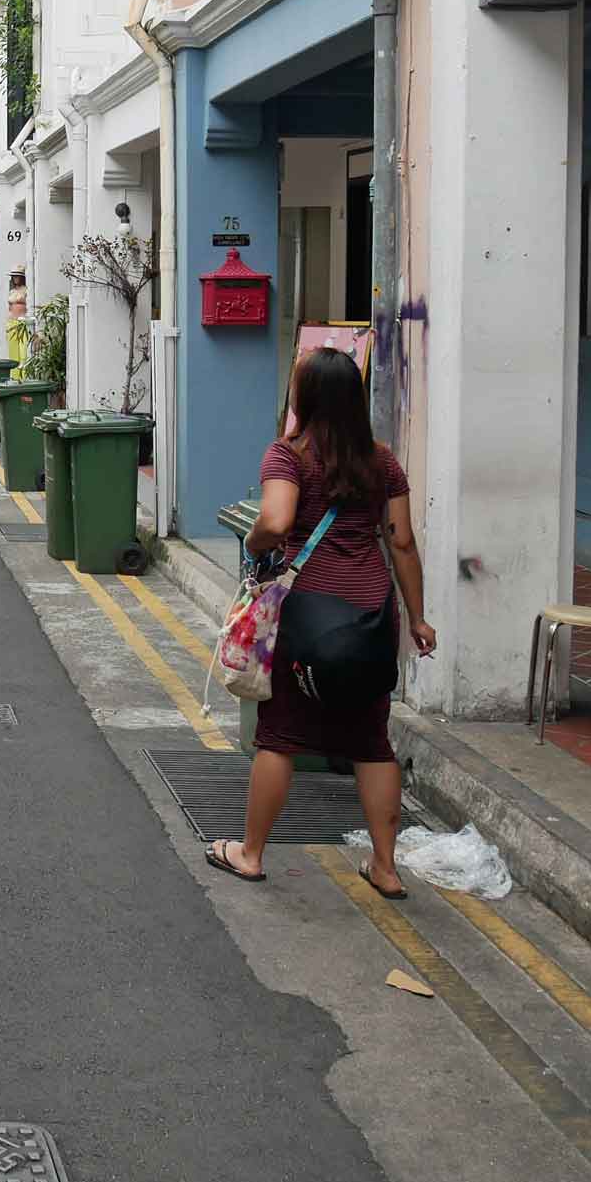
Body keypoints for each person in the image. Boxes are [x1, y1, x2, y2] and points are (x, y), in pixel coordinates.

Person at [204, 347, 436, 899]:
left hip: (307, 617)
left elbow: (277, 519)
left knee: (280, 736)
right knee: (372, 743)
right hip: (372, 617)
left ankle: (251, 854)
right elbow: (401, 542)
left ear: (303, 398)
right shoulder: (382, 461)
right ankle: (385, 867)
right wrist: (420, 619)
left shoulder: (287, 457)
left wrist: (259, 541)